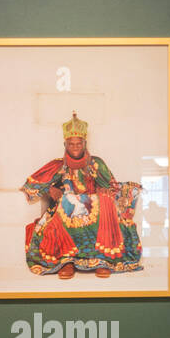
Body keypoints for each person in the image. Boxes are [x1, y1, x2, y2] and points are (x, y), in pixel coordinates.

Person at [22, 112, 143, 279]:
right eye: (71, 144)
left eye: (79, 143)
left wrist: (105, 191)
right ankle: (67, 261)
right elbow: (33, 186)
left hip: (95, 210)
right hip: (67, 209)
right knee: (65, 205)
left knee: (106, 202)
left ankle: (103, 260)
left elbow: (112, 187)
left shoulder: (96, 163)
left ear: (85, 143)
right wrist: (50, 189)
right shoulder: (58, 165)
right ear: (65, 144)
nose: (75, 147)